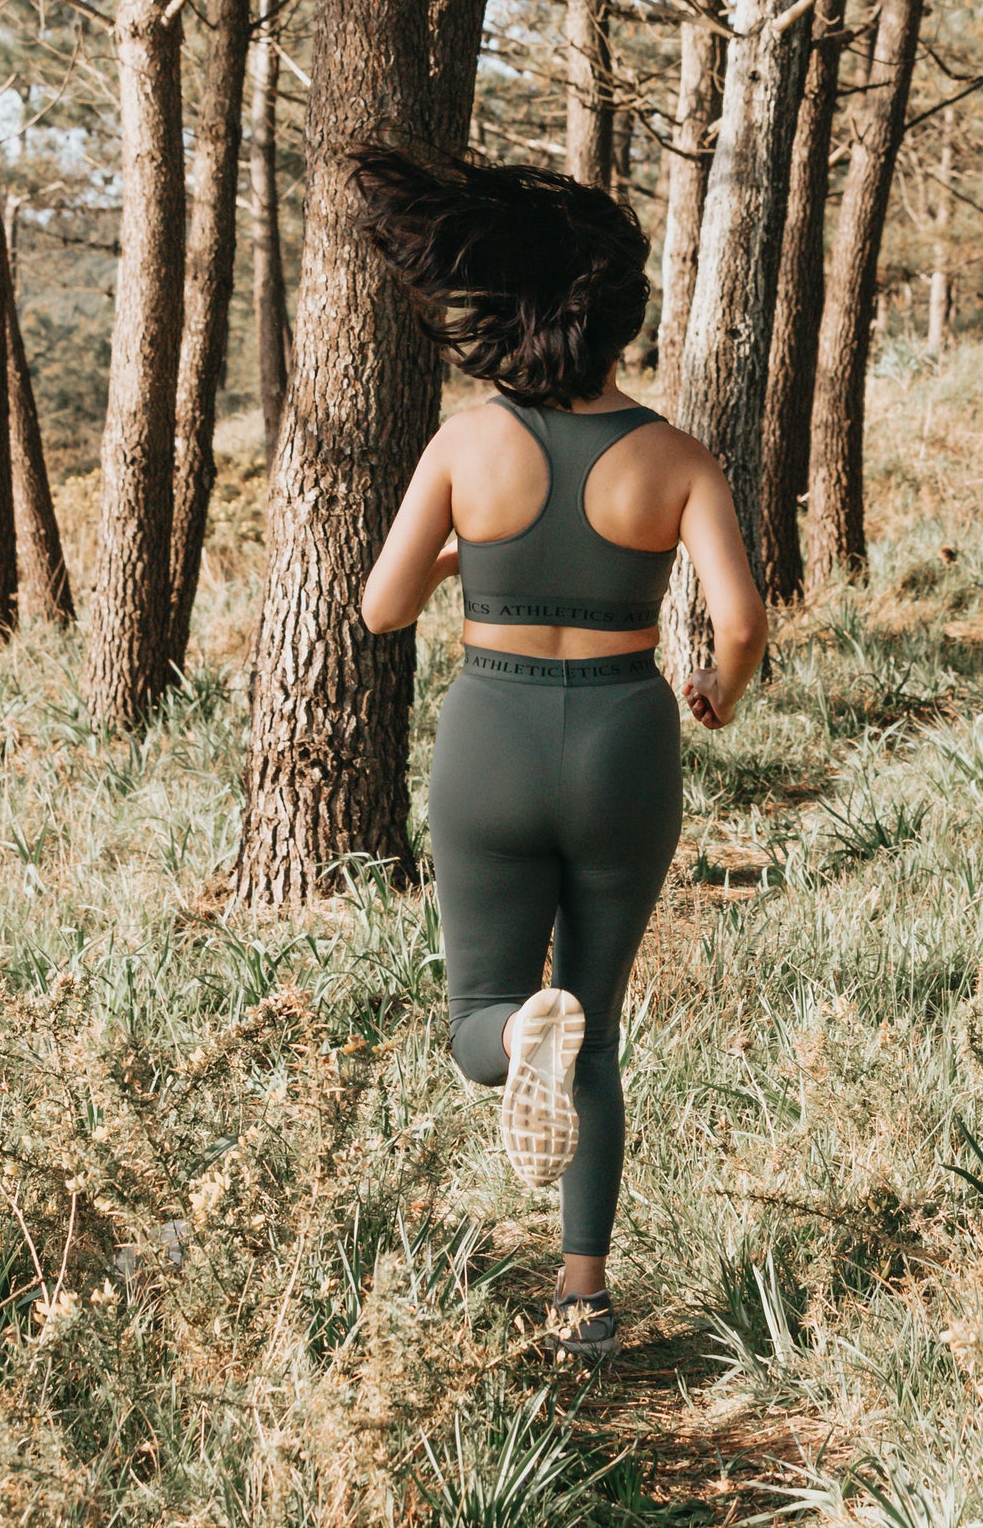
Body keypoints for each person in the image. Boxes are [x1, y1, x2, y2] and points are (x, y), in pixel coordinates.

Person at [354, 143, 768, 1364]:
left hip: (491, 729)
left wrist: (468, 559)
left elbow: (380, 607)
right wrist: (720, 695)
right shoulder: (674, 455)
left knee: (488, 1008)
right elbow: (740, 623)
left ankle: (509, 1041)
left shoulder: (463, 446)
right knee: (599, 1016)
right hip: (623, 737)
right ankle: (582, 1297)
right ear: (621, 325)